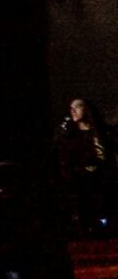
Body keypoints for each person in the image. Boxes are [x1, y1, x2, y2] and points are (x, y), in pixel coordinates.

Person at [57, 97, 115, 233]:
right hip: (78, 181)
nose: (73, 111)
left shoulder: (101, 132)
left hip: (100, 180)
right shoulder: (70, 136)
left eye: (77, 107)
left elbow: (105, 157)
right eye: (71, 108)